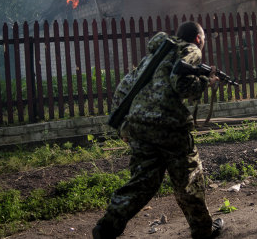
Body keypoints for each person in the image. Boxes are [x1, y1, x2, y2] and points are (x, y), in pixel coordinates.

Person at [93, 21, 224, 239]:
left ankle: (107, 227)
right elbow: (181, 84)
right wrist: (206, 82)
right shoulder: (190, 49)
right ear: (198, 39)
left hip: (139, 127)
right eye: (203, 41)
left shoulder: (154, 56)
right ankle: (203, 230)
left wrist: (126, 125)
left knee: (143, 182)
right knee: (188, 179)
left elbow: (124, 88)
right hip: (169, 127)